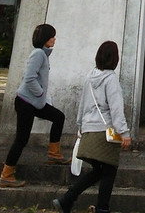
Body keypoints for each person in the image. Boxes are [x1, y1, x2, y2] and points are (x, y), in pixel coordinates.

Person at [53, 41, 133, 213]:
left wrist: (81, 127)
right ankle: (102, 208)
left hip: (89, 130)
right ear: (115, 58)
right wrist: (124, 133)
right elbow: (116, 108)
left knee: (98, 170)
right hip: (105, 132)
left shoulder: (90, 76)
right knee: (109, 170)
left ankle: (67, 200)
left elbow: (82, 104)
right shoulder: (111, 79)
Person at [0, 23, 70, 188]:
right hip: (26, 102)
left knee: (58, 117)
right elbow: (29, 77)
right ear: (45, 38)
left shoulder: (43, 55)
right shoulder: (38, 54)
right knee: (21, 139)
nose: (54, 39)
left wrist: (42, 97)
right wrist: (39, 94)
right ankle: (6, 174)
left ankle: (54, 154)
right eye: (52, 36)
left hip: (34, 102)